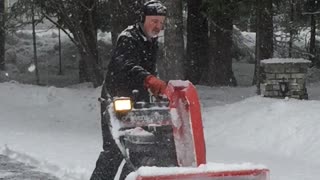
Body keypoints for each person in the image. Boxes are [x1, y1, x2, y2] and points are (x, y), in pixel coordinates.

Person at [90, 1, 167, 180]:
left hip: (138, 99)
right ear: (142, 19)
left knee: (142, 149)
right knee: (115, 150)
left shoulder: (152, 41)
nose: (158, 27)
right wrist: (147, 79)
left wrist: (154, 86)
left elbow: (146, 69)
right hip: (117, 98)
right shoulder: (128, 38)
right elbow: (125, 65)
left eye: (161, 23)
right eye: (154, 21)